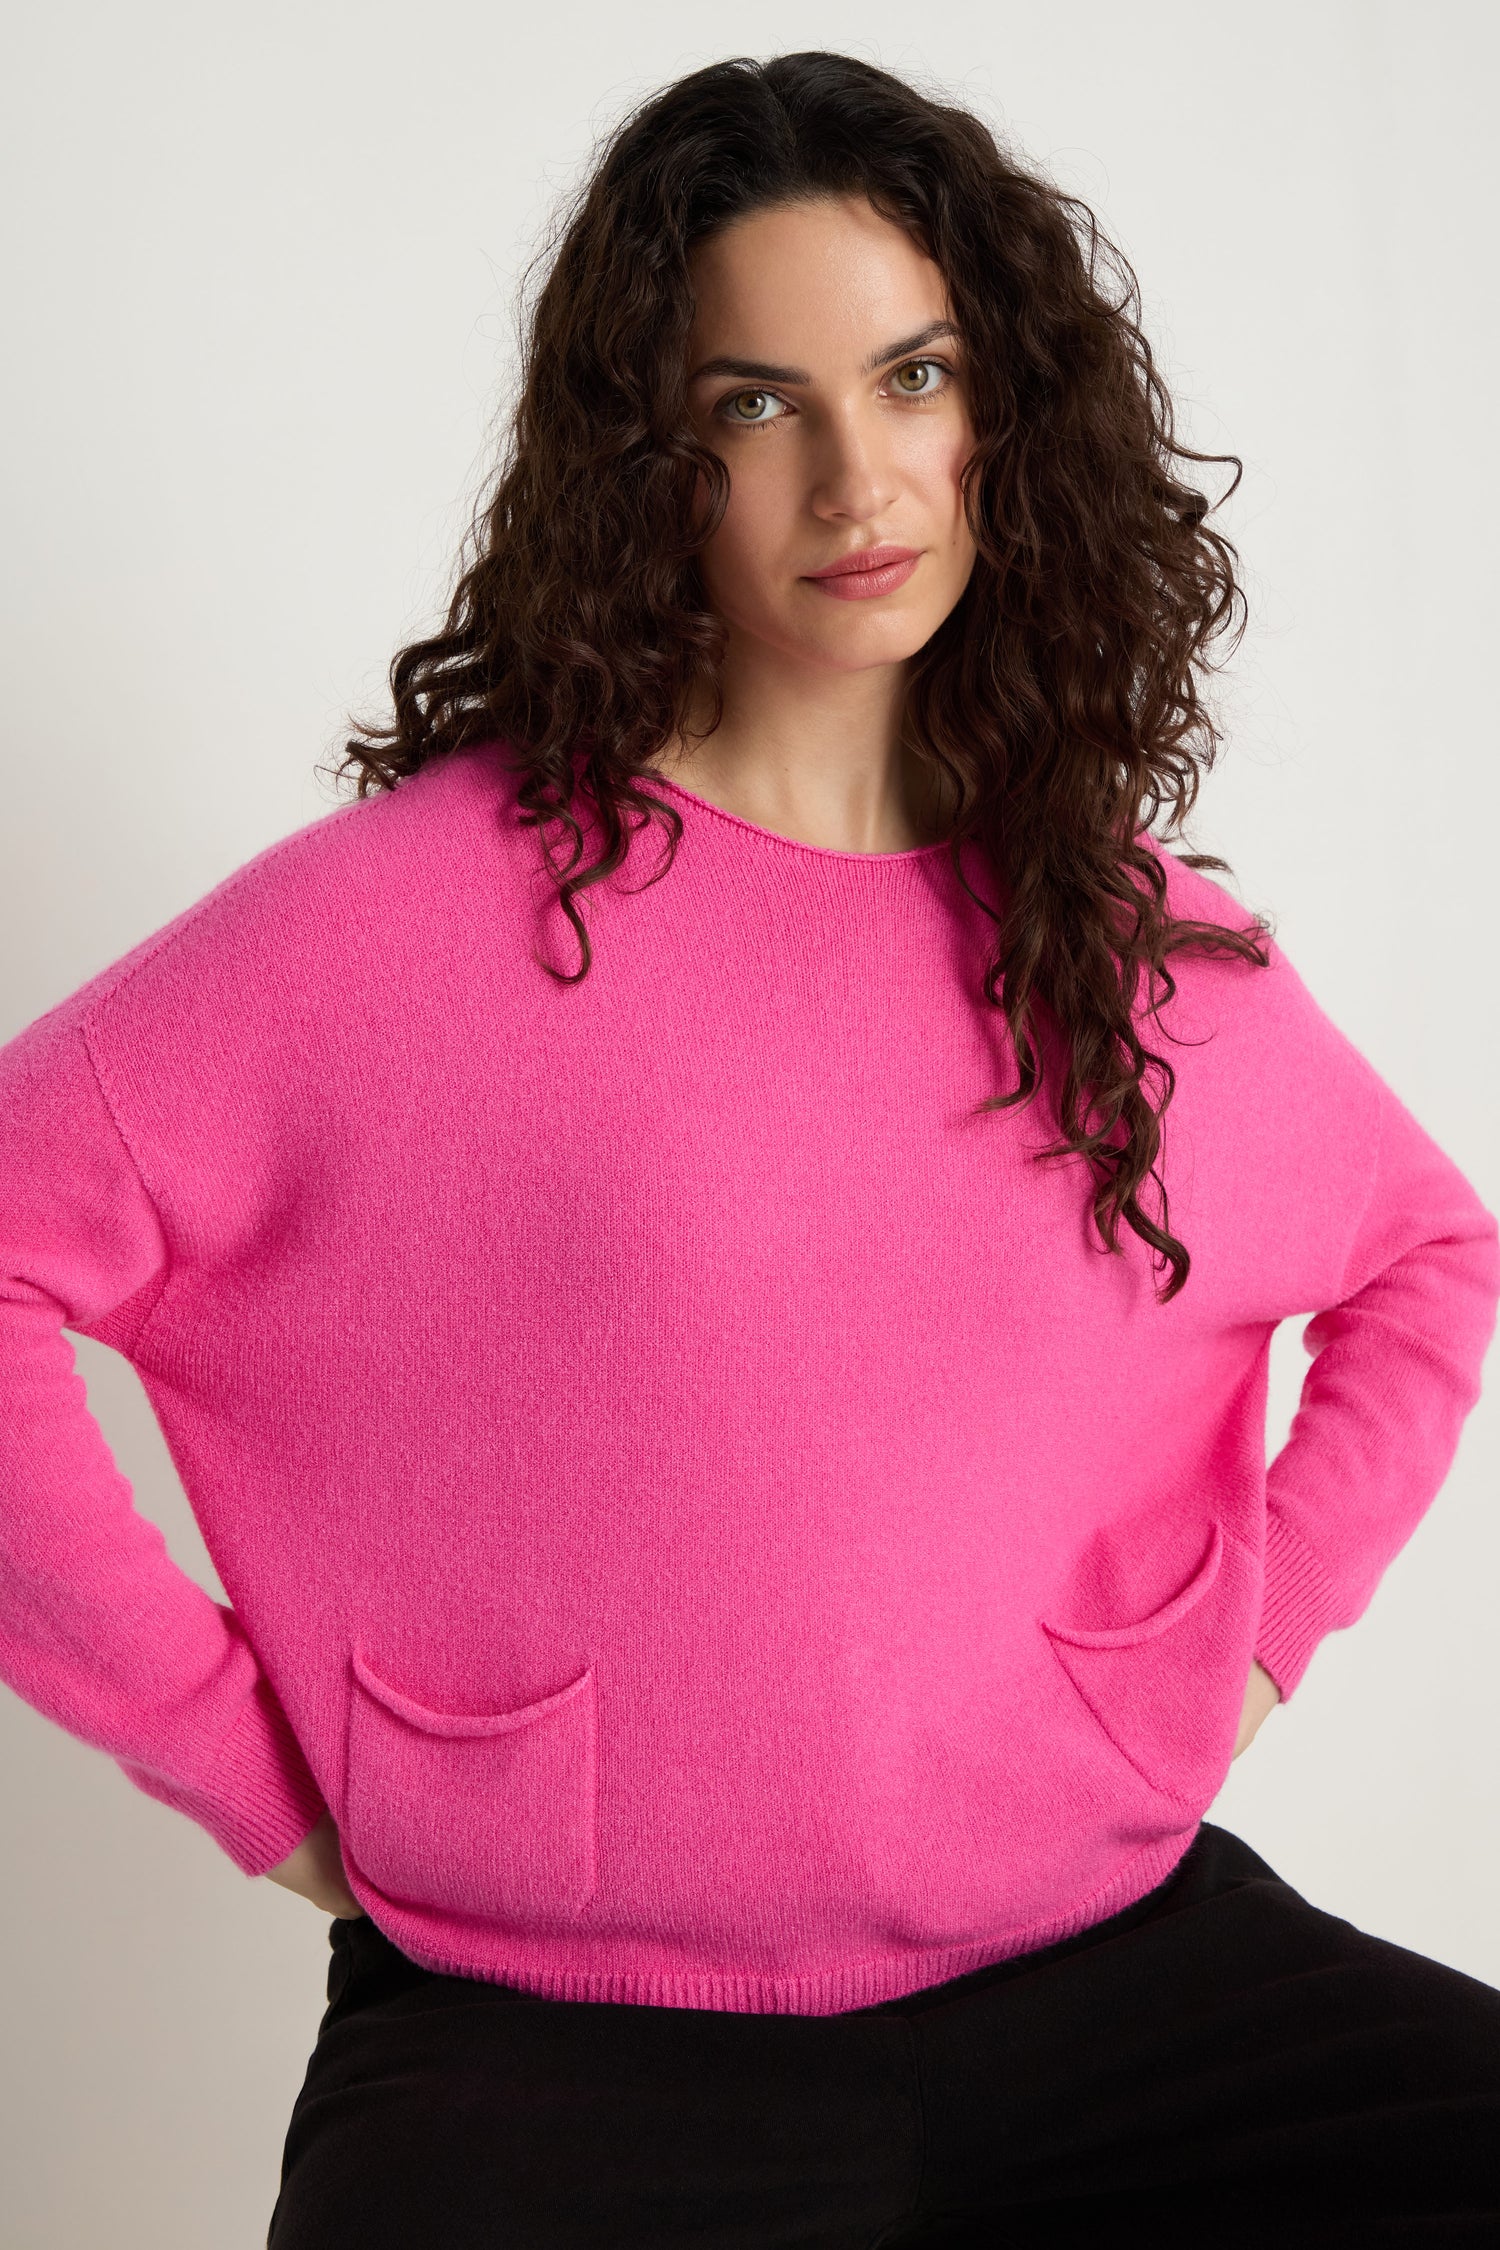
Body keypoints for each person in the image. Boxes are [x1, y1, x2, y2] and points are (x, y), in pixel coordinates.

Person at [0, 47, 1496, 2248]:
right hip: (550, 2033)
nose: (859, 477)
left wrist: (1254, 1645)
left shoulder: (1120, 927)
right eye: (757, 403)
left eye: (911, 375)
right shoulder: (408, 918)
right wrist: (237, 1762)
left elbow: (1426, 1258)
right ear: (649, 458)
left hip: (1109, 1963)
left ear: (1003, 414)